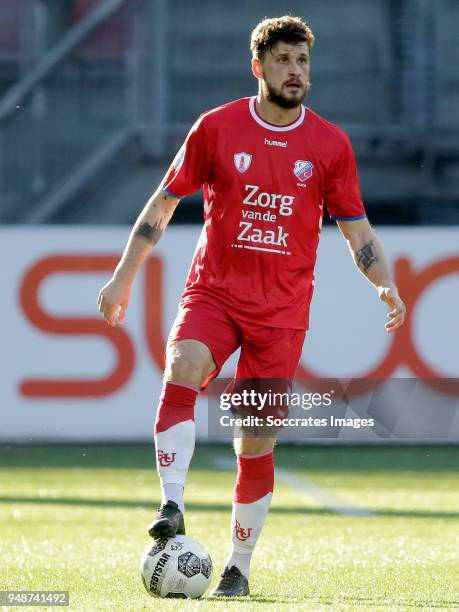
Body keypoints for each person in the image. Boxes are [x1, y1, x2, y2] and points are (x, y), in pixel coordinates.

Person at [97, 15, 406, 597]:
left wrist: (383, 284)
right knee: (183, 363)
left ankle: (237, 568)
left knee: (255, 437)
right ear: (258, 67)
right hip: (214, 292)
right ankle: (171, 504)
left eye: (303, 62)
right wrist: (121, 278)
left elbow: (358, 233)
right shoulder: (216, 128)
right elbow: (161, 206)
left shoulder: (330, 144)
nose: (296, 72)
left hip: (282, 312)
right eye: (285, 60)